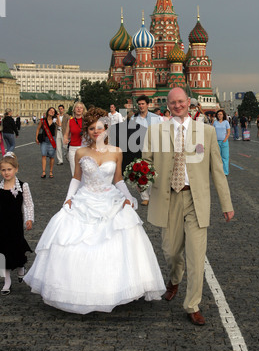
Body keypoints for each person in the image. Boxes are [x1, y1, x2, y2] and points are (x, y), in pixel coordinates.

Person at [24, 107, 165, 314]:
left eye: (99, 127)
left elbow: (117, 179)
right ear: (87, 131)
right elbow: (76, 178)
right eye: (91, 128)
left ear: (106, 128)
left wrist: (128, 196)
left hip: (110, 199)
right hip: (86, 199)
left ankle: (115, 289)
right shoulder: (81, 152)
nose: (96, 131)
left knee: (119, 239)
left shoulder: (116, 151)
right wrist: (68, 200)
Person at [142, 87, 234, 326]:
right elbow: (146, 162)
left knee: (196, 255)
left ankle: (192, 304)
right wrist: (140, 177)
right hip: (168, 198)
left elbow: (217, 170)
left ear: (189, 104)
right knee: (171, 252)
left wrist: (226, 203)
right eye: (173, 102)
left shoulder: (206, 132)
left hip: (195, 199)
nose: (177, 105)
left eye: (181, 101)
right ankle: (174, 280)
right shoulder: (155, 131)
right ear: (168, 106)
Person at [0, 152, 34, 295]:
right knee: (2, 252)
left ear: (16, 169)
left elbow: (28, 204)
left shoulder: (23, 186)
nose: (6, 172)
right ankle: (6, 280)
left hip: (15, 224)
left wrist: (29, 218)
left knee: (17, 247)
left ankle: (21, 266)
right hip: (1, 224)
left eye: (9, 169)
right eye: (3, 170)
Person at [131, 95, 163, 205]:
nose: (141, 106)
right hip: (139, 147)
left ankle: (153, 195)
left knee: (154, 171)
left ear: (147, 105)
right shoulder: (134, 119)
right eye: (139, 104)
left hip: (154, 147)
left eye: (143, 104)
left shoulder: (156, 118)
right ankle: (145, 197)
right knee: (141, 171)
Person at [36, 107, 61, 178]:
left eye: (53, 111)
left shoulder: (54, 120)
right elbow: (38, 129)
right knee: (43, 155)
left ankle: (50, 172)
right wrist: (36, 137)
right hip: (44, 140)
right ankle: (43, 172)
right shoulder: (43, 120)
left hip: (52, 140)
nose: (51, 112)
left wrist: (58, 117)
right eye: (50, 110)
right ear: (48, 111)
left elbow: (60, 124)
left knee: (52, 157)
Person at [64, 102, 87, 176]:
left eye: (81, 107)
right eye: (77, 107)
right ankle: (76, 186)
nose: (79, 109)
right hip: (73, 148)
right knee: (74, 171)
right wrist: (65, 139)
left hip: (84, 148)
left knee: (84, 170)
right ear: (74, 109)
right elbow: (66, 134)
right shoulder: (70, 121)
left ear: (83, 110)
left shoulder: (86, 121)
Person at [213, 109, 231, 176]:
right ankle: (219, 171)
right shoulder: (215, 122)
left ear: (223, 115)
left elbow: (228, 132)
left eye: (220, 114)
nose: (219, 115)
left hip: (224, 142)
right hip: (217, 142)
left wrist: (225, 139)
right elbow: (213, 131)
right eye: (218, 114)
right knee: (218, 157)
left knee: (225, 157)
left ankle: (225, 171)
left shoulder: (226, 122)